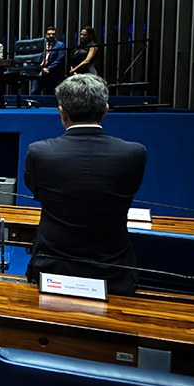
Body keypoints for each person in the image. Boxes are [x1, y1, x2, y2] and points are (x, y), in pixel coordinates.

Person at [25, 74, 146, 295]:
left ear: (62, 113)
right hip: (114, 273)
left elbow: (37, 191)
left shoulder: (39, 152)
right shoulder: (134, 153)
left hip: (52, 271)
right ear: (105, 109)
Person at [32, 26, 66, 94]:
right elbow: (35, 57)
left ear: (55, 35)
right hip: (40, 72)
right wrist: (41, 68)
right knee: (34, 91)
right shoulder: (40, 45)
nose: (51, 36)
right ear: (45, 35)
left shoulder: (60, 45)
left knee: (50, 93)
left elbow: (60, 59)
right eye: (49, 34)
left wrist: (48, 69)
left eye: (53, 34)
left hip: (52, 73)